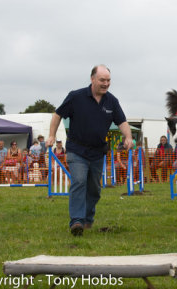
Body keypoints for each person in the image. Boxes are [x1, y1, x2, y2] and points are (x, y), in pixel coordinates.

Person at [46, 64, 132, 236]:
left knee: (94, 189)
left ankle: (87, 219)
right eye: (102, 80)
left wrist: (128, 137)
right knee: (79, 181)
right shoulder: (75, 97)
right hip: (77, 150)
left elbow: (122, 122)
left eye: (108, 80)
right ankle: (76, 221)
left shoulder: (112, 101)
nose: (106, 84)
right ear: (92, 79)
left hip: (98, 152)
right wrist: (51, 135)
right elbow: (58, 115)